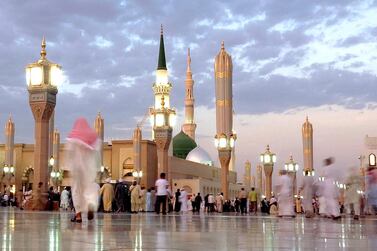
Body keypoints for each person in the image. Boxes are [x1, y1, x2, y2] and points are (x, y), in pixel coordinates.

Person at [66, 118, 101, 223]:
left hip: (77, 169)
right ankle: (90, 204)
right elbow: (97, 154)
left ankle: (78, 215)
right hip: (89, 169)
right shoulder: (93, 138)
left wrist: (68, 167)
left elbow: (69, 153)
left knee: (77, 191)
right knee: (89, 189)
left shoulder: (74, 137)